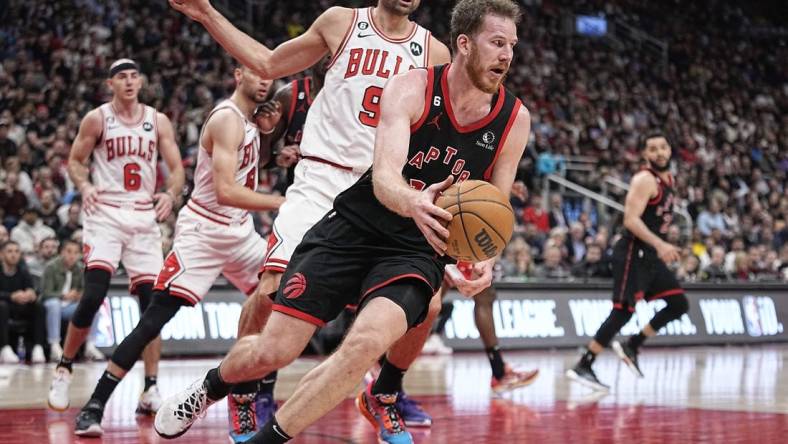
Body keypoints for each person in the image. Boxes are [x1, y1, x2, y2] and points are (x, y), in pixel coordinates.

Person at [156, 2, 529, 444]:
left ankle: (385, 392)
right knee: (273, 314)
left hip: (410, 214)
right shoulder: (346, 25)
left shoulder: (438, 54)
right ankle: (232, 387)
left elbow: (491, 202)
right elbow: (270, 63)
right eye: (498, 43)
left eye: (511, 46)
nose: (506, 55)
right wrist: (207, 14)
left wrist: (478, 254)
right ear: (467, 43)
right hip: (341, 187)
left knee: (399, 323)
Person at [70, 66, 283, 439]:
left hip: (240, 231)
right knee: (153, 320)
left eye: (270, 73)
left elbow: (244, 167)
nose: (265, 79)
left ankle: (253, 396)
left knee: (279, 300)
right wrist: (284, 200)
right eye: (256, 71)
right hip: (203, 231)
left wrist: (273, 150)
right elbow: (226, 191)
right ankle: (95, 404)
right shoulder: (227, 119)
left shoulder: (251, 121)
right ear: (236, 75)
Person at [47, 59, 185, 420]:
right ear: (111, 83)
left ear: (140, 81)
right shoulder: (97, 118)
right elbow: (76, 161)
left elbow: (177, 170)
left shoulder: (158, 121)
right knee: (92, 294)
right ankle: (64, 368)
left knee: (151, 306)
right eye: (121, 76)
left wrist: (170, 194)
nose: (128, 81)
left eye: (134, 75)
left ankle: (151, 386)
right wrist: (85, 185)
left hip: (142, 215)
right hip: (105, 211)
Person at [566, 132, 690, 391]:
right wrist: (661, 243)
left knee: (678, 303)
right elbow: (630, 220)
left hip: (651, 255)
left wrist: (665, 241)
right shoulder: (645, 179)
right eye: (652, 149)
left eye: (663, 147)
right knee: (623, 310)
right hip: (633, 251)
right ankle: (584, 364)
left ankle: (632, 345)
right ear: (645, 155)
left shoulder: (670, 180)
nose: (659, 153)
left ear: (670, 150)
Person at [40, 239, 92, 362]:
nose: (72, 255)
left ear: (80, 254)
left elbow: (85, 291)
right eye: (68, 251)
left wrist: (79, 295)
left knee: (92, 307)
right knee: (54, 304)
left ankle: (91, 345)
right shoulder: (51, 267)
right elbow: (45, 293)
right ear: (61, 252)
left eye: (75, 252)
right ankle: (54, 345)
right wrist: (63, 296)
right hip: (52, 304)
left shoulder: (81, 268)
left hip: (69, 306)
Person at [0, 240, 46, 364]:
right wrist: (11, 296)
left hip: (19, 307)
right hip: (4, 307)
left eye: (16, 251)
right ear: (1, 254)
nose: (13, 254)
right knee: (2, 306)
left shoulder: (23, 271)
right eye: (9, 251)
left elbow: (32, 289)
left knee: (38, 306)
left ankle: (38, 347)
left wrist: (30, 294)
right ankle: (4, 348)